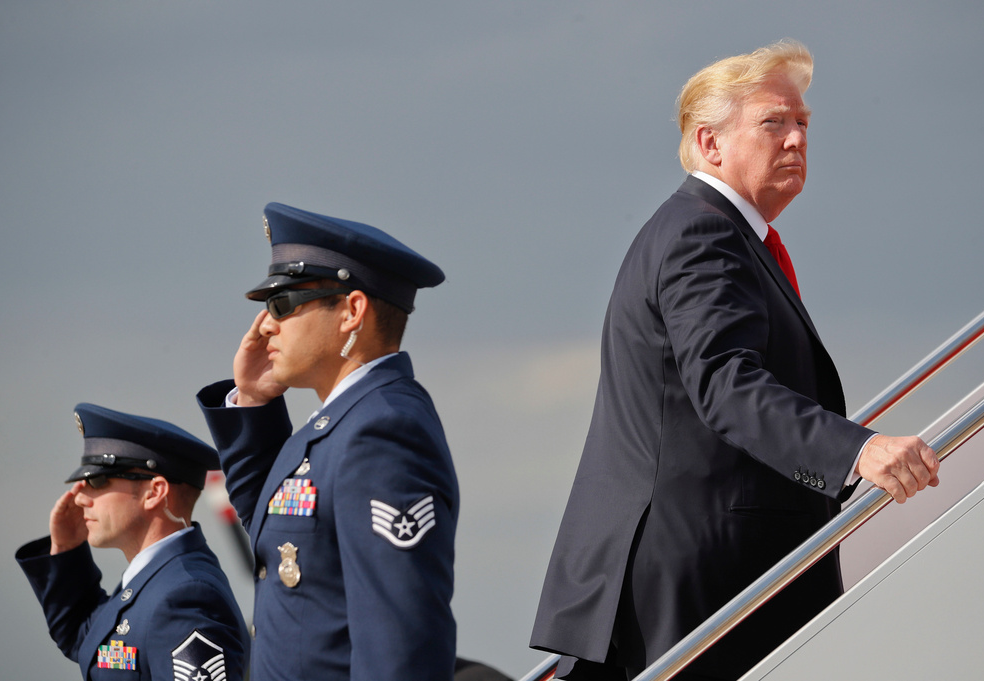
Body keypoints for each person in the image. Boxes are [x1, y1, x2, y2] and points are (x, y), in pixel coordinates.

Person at [530, 40, 941, 681]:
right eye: (773, 123)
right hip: (701, 580)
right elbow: (725, 381)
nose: (796, 139)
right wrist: (855, 451)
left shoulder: (716, 232)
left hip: (697, 573)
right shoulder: (704, 232)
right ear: (710, 144)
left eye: (803, 123)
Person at [197, 202, 458, 681]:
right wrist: (253, 401)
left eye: (284, 302)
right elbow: (268, 534)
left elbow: (399, 640)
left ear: (351, 312)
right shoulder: (340, 423)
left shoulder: (382, 429)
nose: (266, 324)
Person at [16, 403, 250, 681]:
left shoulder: (186, 596)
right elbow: (84, 638)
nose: (79, 498)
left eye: (98, 481)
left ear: (155, 492)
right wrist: (66, 550)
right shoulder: (155, 581)